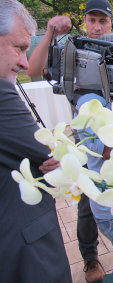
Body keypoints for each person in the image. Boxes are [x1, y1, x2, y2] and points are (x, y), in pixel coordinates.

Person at [26, 0, 113, 282]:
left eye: (104, 21)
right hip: (111, 189)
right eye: (91, 20)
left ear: (112, 23)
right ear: (83, 21)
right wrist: (50, 33)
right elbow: (34, 69)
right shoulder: (76, 63)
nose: (97, 27)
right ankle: (91, 258)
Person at [0, 0, 72, 281]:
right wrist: (65, 147)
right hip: (29, 251)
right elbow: (49, 153)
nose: (24, 61)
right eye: (18, 47)